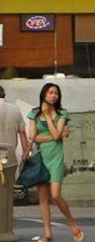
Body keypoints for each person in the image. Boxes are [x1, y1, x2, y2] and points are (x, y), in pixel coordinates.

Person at [26, 82, 84, 242]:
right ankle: (48, 233)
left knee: (56, 195)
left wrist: (48, 119)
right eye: (50, 92)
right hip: (41, 157)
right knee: (43, 198)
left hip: (56, 157)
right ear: (44, 94)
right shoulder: (34, 113)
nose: (53, 95)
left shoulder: (62, 113)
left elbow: (56, 134)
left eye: (56, 93)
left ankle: (73, 226)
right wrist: (55, 135)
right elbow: (34, 137)